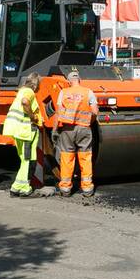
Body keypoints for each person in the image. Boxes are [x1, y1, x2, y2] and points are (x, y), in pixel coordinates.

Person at [55, 68, 98, 197]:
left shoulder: (63, 92)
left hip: (67, 130)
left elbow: (58, 112)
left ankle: (65, 188)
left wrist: (55, 129)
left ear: (69, 81)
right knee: (85, 157)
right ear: (80, 80)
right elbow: (95, 112)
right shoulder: (88, 92)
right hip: (84, 128)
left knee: (67, 157)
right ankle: (87, 188)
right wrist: (90, 122)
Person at [3, 73, 43, 198]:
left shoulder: (21, 91)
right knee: (27, 160)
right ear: (35, 84)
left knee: (24, 160)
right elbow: (25, 102)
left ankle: (16, 187)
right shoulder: (29, 92)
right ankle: (24, 188)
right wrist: (33, 117)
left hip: (18, 130)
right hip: (26, 131)